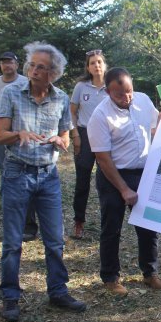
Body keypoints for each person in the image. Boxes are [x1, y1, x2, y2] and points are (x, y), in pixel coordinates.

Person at [0, 41, 86, 322]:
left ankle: (57, 291)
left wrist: (61, 140)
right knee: (12, 242)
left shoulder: (60, 98)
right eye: (32, 65)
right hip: (16, 172)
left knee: (55, 240)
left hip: (48, 175)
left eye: (41, 67)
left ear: (53, 73)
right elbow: (0, 135)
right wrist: (17, 134)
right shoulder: (11, 93)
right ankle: (10, 297)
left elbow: (67, 137)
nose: (34, 70)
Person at [87, 67, 161, 297]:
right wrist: (123, 189)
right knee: (112, 228)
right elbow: (102, 158)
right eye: (120, 95)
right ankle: (111, 277)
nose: (127, 98)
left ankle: (150, 273)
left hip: (142, 172)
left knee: (148, 226)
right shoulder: (100, 116)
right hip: (114, 175)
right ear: (107, 92)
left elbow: (155, 127)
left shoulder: (142, 100)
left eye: (129, 92)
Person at [0, 52, 37, 242]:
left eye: (10, 62)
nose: (7, 66)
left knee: (26, 170)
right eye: (3, 62)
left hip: (22, 129)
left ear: (17, 64)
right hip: (0, 128)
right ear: (0, 65)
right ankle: (10, 216)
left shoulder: (24, 81)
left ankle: (28, 224)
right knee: (4, 169)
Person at [69, 49, 108, 240]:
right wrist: (75, 135)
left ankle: (107, 223)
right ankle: (79, 222)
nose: (97, 65)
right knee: (82, 182)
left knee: (106, 181)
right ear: (88, 67)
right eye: (93, 63)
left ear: (104, 64)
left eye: (99, 62)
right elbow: (72, 112)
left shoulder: (112, 86)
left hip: (106, 136)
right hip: (84, 135)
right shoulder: (81, 87)